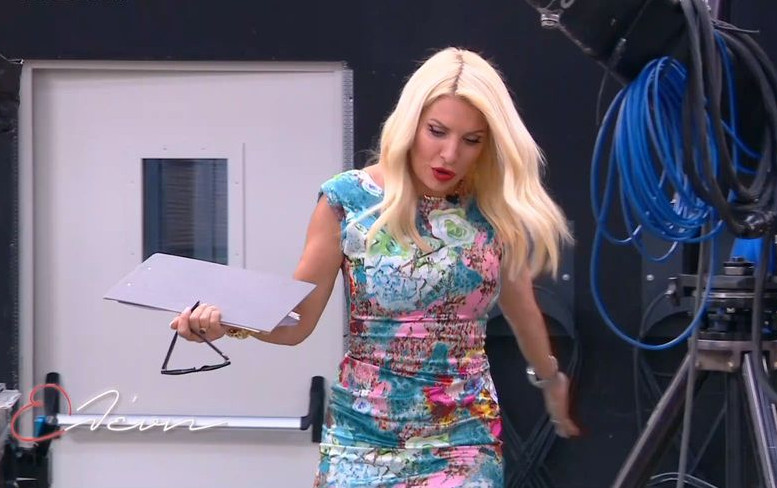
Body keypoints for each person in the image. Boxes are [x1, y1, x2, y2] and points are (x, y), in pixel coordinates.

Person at [171, 47, 580, 487]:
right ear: (411, 123)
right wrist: (227, 323)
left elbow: (521, 306)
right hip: (360, 439)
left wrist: (550, 378)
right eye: (437, 131)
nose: (449, 154)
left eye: (471, 140)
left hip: (462, 440)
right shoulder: (348, 200)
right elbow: (297, 321)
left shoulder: (493, 210)